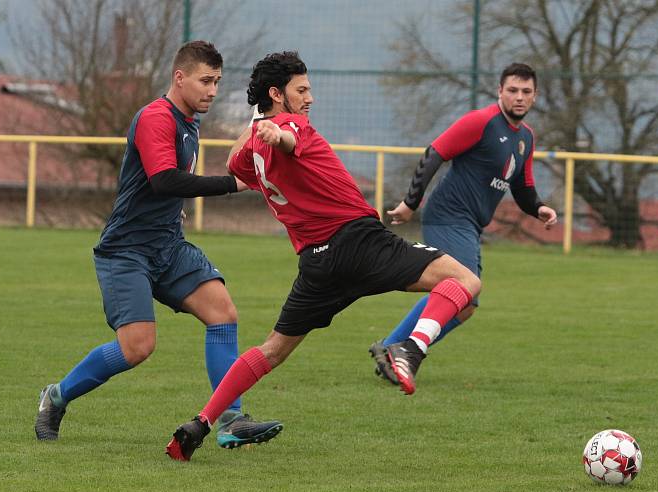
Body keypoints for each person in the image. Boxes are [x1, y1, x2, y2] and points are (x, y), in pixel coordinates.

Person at [165, 51, 482, 462]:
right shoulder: (291, 124)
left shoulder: (250, 152)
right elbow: (290, 137)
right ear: (278, 95)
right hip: (359, 242)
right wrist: (278, 132)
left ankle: (201, 423)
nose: (310, 98)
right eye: (302, 90)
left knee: (272, 350)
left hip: (317, 264)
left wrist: (259, 125)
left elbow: (232, 161)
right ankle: (410, 349)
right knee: (465, 281)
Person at [34, 40, 282, 450]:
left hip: (168, 245)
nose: (212, 90)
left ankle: (232, 419)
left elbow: (168, 187)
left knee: (223, 313)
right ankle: (56, 396)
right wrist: (233, 185)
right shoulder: (155, 117)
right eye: (205, 80)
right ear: (179, 77)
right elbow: (163, 180)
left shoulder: (190, 120)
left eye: (218, 82)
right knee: (138, 347)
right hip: (127, 250)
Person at [369, 62, 558, 384]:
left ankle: (393, 348)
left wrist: (538, 207)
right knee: (462, 292)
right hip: (448, 217)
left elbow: (522, 186)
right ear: (500, 91)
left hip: (470, 225)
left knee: (465, 306)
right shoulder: (481, 122)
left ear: (535, 96)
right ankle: (399, 350)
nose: (519, 97)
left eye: (526, 92)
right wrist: (410, 203)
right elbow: (434, 153)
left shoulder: (525, 137)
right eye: (512, 90)